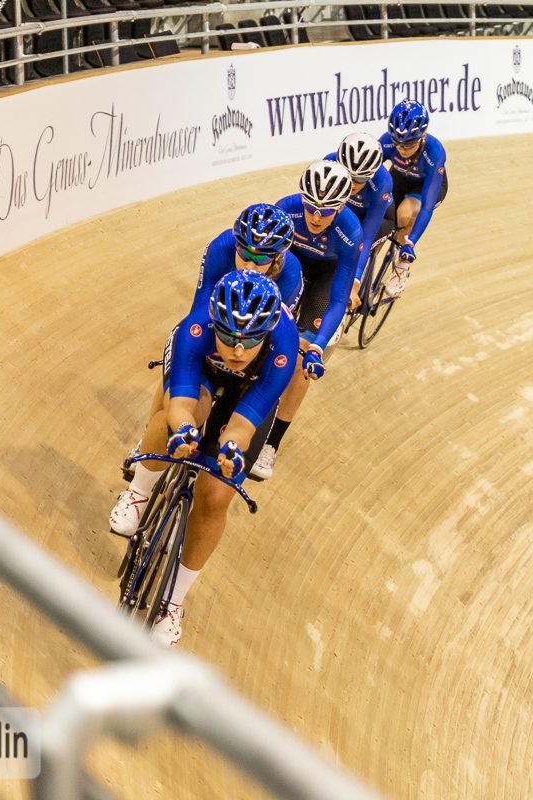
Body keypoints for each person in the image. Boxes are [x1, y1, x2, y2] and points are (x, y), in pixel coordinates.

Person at [108, 271, 299, 646]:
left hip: (252, 389)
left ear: (267, 335)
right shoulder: (196, 328)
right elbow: (179, 405)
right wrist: (183, 430)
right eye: (228, 336)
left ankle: (173, 603)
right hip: (202, 371)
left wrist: (231, 450)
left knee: (215, 495)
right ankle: (138, 494)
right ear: (214, 324)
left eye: (250, 340)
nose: (238, 351)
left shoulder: (283, 348)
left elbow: (242, 427)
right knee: (170, 425)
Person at [121, 203, 301, 470]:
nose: (249, 264)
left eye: (261, 259)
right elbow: (200, 309)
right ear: (236, 244)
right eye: (244, 253)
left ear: (276, 258)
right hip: (217, 323)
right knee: (184, 361)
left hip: (248, 348)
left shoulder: (290, 274)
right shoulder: (221, 247)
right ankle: (151, 432)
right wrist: (195, 348)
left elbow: (268, 331)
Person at [250, 161, 363, 481]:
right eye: (310, 207)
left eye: (324, 212)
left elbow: (338, 300)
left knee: (301, 359)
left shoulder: (350, 231)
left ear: (340, 207)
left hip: (327, 277)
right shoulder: (287, 209)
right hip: (290, 265)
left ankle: (271, 443)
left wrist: (317, 347)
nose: (315, 217)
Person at [378, 99, 448, 296]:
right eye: (397, 142)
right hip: (398, 178)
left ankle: (401, 268)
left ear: (422, 136)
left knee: (405, 214)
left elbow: (426, 206)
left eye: (408, 144)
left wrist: (411, 243)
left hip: (425, 186)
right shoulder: (386, 141)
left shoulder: (434, 152)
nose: (401, 149)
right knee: (379, 221)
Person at [326, 133, 391, 312]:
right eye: (349, 176)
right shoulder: (330, 163)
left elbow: (368, 236)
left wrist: (354, 281)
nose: (353, 184)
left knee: (355, 246)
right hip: (346, 211)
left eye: (360, 179)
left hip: (376, 217)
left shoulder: (382, 181)